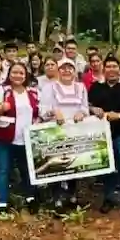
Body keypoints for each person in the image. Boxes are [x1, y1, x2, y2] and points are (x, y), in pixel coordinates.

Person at [89, 56, 120, 215]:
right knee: (108, 169)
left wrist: (119, 116)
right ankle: (109, 198)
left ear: (119, 69)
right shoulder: (96, 87)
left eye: (114, 66)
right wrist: (93, 109)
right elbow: (88, 106)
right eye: (108, 66)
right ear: (103, 69)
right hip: (102, 136)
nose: (111, 69)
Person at [0, 63, 40, 215]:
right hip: (4, 138)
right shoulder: (1, 90)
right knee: (3, 170)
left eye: (21, 73)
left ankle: (30, 198)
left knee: (27, 170)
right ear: (9, 74)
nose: (18, 76)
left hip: (27, 139)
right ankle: (2, 202)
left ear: (26, 75)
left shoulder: (33, 92)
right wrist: (1, 109)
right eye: (14, 72)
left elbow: (40, 112)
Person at [40, 58, 90, 211]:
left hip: (75, 131)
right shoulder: (49, 87)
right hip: (55, 131)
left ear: (74, 71)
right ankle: (57, 199)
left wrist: (82, 113)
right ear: (58, 70)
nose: (67, 71)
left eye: (70, 68)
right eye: (63, 68)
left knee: (73, 163)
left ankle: (72, 196)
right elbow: (42, 110)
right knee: (57, 163)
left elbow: (85, 108)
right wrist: (53, 112)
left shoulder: (81, 87)